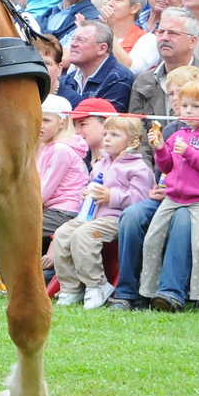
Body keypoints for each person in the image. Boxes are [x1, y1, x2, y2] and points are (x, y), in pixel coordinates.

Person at [0, 95, 88, 298]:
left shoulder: (61, 150)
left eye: (46, 120)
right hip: (44, 208)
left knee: (5, 224)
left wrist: (6, 210)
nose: (40, 125)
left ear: (63, 122)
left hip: (62, 213)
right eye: (38, 119)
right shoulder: (43, 146)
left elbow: (42, 192)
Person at [139, 76, 199, 310]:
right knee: (152, 240)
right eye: (185, 105)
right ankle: (148, 292)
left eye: (196, 106)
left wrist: (190, 153)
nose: (189, 110)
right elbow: (167, 166)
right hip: (173, 197)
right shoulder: (178, 134)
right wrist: (160, 148)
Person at [51, 114, 152, 309]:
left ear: (132, 141)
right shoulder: (100, 163)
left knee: (83, 235)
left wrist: (110, 196)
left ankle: (97, 285)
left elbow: (140, 201)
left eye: (114, 135)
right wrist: (85, 194)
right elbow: (90, 184)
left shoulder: (139, 168)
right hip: (91, 216)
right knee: (63, 234)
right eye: (105, 134)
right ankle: (71, 287)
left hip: (115, 220)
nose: (106, 138)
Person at [128, 7, 199, 117]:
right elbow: (135, 129)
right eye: (160, 32)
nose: (164, 38)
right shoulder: (143, 82)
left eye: (173, 33)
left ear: (192, 41)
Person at [58, 21, 134, 109]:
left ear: (102, 48)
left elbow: (105, 121)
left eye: (80, 40)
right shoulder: (68, 79)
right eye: (73, 39)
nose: (73, 44)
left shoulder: (119, 78)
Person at [101, 0, 149, 68]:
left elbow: (130, 68)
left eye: (118, 0)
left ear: (134, 8)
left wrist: (110, 33)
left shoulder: (147, 39)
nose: (110, 3)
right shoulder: (97, 33)